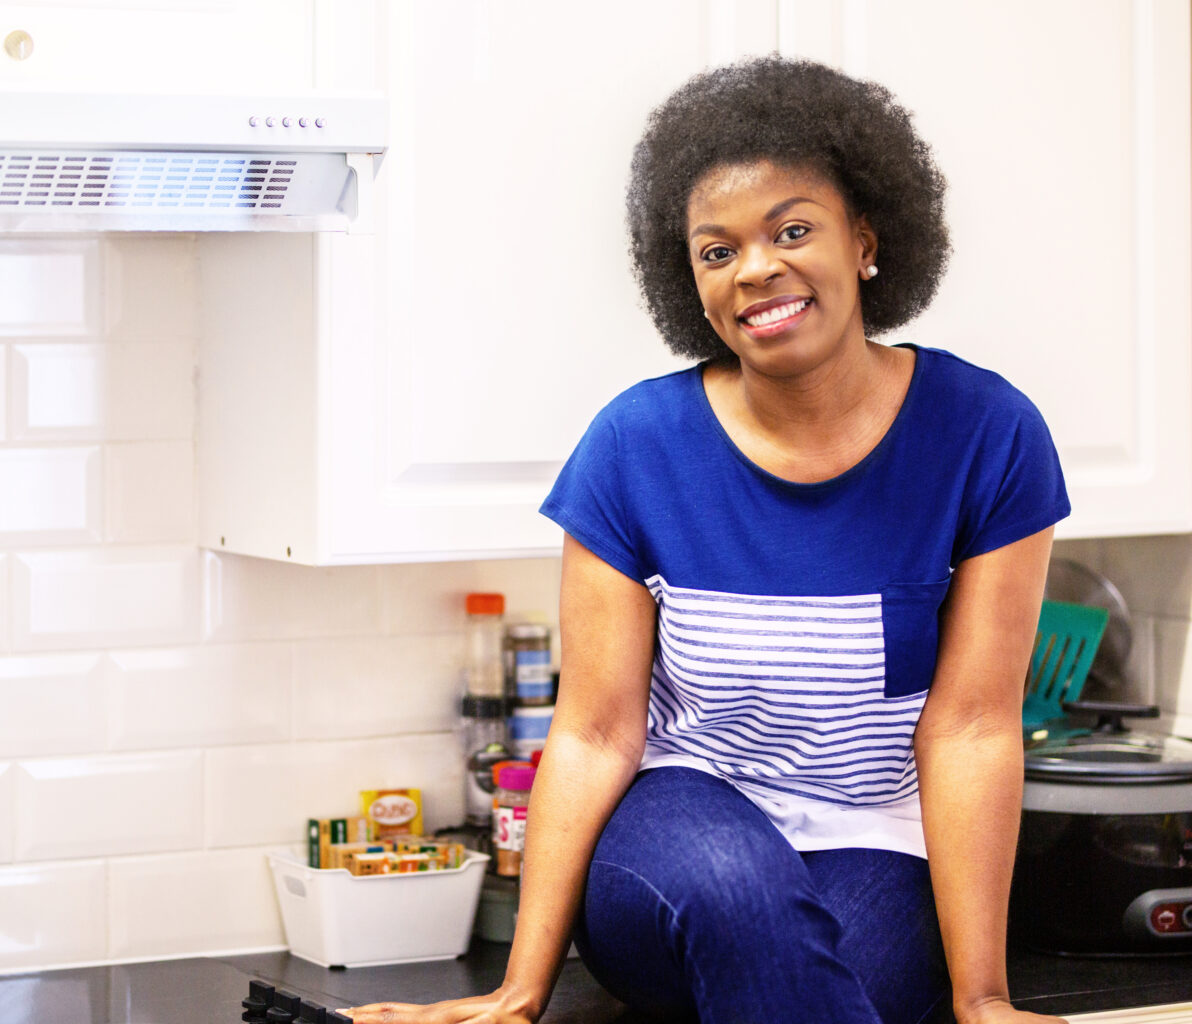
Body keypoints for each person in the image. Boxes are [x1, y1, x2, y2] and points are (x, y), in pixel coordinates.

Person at [343, 56, 1070, 1024]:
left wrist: (984, 998)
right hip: (679, 824)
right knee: (738, 892)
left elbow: (973, 727)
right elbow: (597, 731)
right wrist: (517, 994)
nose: (755, 267)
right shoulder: (637, 445)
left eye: (794, 229)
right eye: (716, 250)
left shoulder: (985, 432)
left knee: (861, 986)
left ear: (866, 240)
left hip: (879, 836)